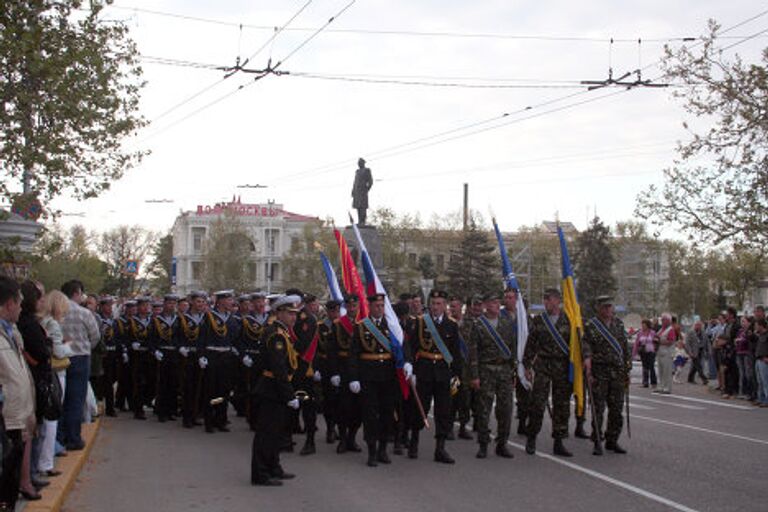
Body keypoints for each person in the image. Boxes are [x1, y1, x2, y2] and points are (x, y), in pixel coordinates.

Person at [349, 293, 409, 467]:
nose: (380, 309)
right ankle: (372, 451)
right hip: (368, 377)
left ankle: (383, 449)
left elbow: (402, 347)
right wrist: (354, 378)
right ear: (370, 307)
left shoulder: (392, 326)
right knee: (370, 415)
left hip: (388, 378)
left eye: (382, 306)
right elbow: (353, 355)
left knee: (386, 413)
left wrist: (407, 363)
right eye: (376, 306)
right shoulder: (361, 327)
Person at [404, 290, 462, 463]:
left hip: (443, 373)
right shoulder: (421, 322)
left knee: (443, 411)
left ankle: (440, 448)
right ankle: (414, 441)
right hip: (424, 371)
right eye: (433, 303)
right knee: (418, 408)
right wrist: (410, 367)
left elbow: (455, 352)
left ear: (445, 306)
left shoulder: (451, 325)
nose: (435, 307)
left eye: (439, 304)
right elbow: (411, 347)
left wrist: (456, 375)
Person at [251, 295, 301, 486]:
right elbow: (278, 367)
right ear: (279, 312)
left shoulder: (282, 332)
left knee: (276, 433)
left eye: (295, 313)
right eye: (290, 313)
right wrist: (289, 394)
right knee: (266, 434)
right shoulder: (275, 334)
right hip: (272, 389)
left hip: (277, 389)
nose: (293, 317)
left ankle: (274, 467)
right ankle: (261, 473)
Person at [0, 276, 37, 510]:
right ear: (9, 303)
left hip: (17, 418)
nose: (22, 307)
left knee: (9, 487)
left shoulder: (11, 332)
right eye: (20, 302)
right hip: (6, 420)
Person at [523, 288, 574, 457]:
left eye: (549, 299)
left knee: (562, 405)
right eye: (544, 300)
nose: (546, 303)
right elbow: (531, 344)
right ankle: (531, 437)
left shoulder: (569, 320)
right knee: (537, 403)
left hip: (562, 366)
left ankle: (559, 441)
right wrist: (527, 365)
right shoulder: (539, 320)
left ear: (557, 301)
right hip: (543, 365)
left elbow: (578, 344)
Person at [468, 292, 516, 459]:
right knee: (483, 410)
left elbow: (513, 348)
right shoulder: (479, 324)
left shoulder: (507, 323)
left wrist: (514, 372)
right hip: (486, 370)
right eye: (492, 302)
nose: (496, 305)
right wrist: (474, 375)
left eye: (497, 302)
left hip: (504, 370)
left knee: (506, 409)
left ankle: (502, 443)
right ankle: (483, 444)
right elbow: (473, 352)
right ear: (486, 305)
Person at [582, 296, 631, 455]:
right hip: (599, 372)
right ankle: (597, 440)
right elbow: (586, 344)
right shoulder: (591, 325)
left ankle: (612, 440)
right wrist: (587, 359)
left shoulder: (618, 324)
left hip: (617, 372)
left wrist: (627, 368)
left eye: (610, 306)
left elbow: (624, 347)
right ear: (599, 308)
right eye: (605, 307)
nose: (608, 310)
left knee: (616, 408)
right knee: (598, 409)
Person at [17, 281, 51, 497]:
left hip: (33, 378)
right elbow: (40, 350)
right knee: (34, 428)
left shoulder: (29, 322)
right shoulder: (28, 323)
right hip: (34, 380)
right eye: (39, 298)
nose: (43, 302)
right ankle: (29, 474)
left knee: (36, 427)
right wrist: (47, 346)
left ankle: (31, 473)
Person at [59, 280, 99, 450]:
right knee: (76, 399)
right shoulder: (84, 313)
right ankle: (73, 438)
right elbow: (95, 336)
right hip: (80, 358)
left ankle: (59, 438)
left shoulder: (56, 312)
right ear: (77, 292)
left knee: (60, 398)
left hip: (59, 358)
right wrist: (85, 346)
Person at [38, 291, 72, 478]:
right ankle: (46, 463)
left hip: (47, 372)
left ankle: (44, 461)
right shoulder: (53, 324)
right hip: (56, 373)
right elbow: (58, 351)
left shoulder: (43, 322)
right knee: (52, 419)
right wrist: (69, 346)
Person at [197, 290, 239, 433]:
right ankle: (209, 420)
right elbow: (201, 337)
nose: (231, 302)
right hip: (212, 355)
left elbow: (234, 338)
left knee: (224, 390)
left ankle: (221, 420)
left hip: (226, 356)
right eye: (228, 300)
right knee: (211, 389)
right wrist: (201, 355)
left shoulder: (231, 318)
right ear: (220, 301)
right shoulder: (209, 317)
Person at [328, 295, 363, 454]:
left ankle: (352, 438)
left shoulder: (365, 324)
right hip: (343, 368)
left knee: (358, 409)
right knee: (343, 407)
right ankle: (342, 439)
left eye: (354, 306)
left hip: (360, 370)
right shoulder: (338, 324)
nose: (352, 309)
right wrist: (334, 372)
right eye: (349, 306)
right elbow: (332, 351)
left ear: (358, 306)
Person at [177, 292, 206, 428]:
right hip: (187, 356)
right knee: (188, 388)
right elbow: (177, 337)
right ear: (192, 303)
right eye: (198, 301)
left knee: (199, 387)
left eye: (202, 302)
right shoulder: (183, 319)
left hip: (200, 356)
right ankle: (187, 417)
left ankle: (195, 415)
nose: (201, 304)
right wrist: (181, 347)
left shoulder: (206, 318)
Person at [151, 294, 180, 422]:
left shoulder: (178, 319)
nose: (172, 306)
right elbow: (151, 339)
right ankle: (161, 412)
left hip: (174, 354)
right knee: (162, 384)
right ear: (164, 304)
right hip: (162, 353)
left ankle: (171, 411)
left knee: (173, 383)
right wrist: (155, 351)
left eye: (174, 304)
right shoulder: (156, 320)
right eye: (169, 303)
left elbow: (180, 337)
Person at [318, 300, 341, 444]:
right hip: (325, 366)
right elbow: (314, 349)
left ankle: (339, 427)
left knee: (341, 401)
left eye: (337, 311)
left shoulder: (342, 326)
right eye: (332, 311)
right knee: (329, 400)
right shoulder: (319, 327)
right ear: (327, 311)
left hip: (340, 366)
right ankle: (330, 429)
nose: (335, 314)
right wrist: (315, 369)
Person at [128, 297, 153, 420]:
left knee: (149, 382)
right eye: (143, 305)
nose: (146, 308)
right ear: (138, 307)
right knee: (138, 383)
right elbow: (125, 337)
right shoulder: (132, 321)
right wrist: (131, 344)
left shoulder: (152, 321)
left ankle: (145, 403)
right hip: (137, 356)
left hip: (148, 355)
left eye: (147, 305)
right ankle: (138, 409)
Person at [654, 313, 677, 394]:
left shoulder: (671, 329)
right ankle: (661, 386)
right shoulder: (661, 329)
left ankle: (667, 387)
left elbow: (671, 341)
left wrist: (659, 341)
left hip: (667, 352)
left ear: (668, 321)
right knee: (660, 371)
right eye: (662, 320)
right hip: (660, 351)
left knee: (667, 371)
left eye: (664, 320)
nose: (663, 321)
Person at [632, 319, 658, 388]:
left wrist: (655, 347)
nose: (643, 327)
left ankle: (653, 382)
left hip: (651, 351)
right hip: (643, 352)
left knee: (651, 366)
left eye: (644, 325)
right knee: (645, 367)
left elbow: (656, 341)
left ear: (647, 325)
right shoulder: (640, 333)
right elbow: (636, 343)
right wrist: (634, 353)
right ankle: (645, 382)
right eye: (642, 325)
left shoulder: (652, 332)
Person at [735, 315, 754, 400]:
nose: (742, 323)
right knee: (741, 373)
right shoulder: (740, 331)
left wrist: (740, 340)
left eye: (744, 321)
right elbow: (737, 339)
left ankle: (748, 392)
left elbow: (747, 340)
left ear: (748, 322)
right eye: (741, 321)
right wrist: (736, 341)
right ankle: (741, 392)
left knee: (747, 373)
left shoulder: (749, 331)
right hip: (739, 353)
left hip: (746, 353)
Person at [685, 321, 709, 385]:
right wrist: (690, 352)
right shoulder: (690, 332)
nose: (698, 326)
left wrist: (708, 350)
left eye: (700, 325)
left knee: (695, 366)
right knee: (698, 366)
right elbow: (687, 343)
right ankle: (704, 379)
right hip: (694, 351)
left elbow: (707, 342)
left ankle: (690, 378)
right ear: (694, 325)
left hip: (701, 351)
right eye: (697, 325)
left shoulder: (703, 332)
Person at [351, 157, 373, 225]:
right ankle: (359, 221)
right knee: (358, 207)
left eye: (360, 163)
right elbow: (355, 182)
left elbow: (370, 181)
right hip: (357, 192)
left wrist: (366, 189)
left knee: (363, 207)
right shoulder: (357, 171)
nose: (359, 164)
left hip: (363, 191)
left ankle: (363, 221)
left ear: (363, 163)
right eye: (358, 163)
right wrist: (353, 191)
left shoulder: (367, 170)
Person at [753, 319, 768, 407]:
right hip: (758, 359)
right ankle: (760, 398)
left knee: (765, 381)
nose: (755, 327)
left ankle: (766, 399)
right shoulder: (760, 335)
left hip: (764, 360)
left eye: (757, 325)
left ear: (761, 326)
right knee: (760, 381)